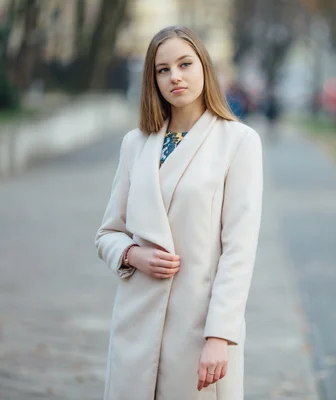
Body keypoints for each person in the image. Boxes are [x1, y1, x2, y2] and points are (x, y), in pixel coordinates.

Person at [95, 25, 263, 400]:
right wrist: (133, 255)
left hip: (199, 327)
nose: (175, 77)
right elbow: (107, 233)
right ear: (152, 79)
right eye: (163, 69)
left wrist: (220, 336)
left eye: (185, 64)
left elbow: (239, 250)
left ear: (204, 66)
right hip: (135, 324)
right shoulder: (135, 143)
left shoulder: (239, 142)